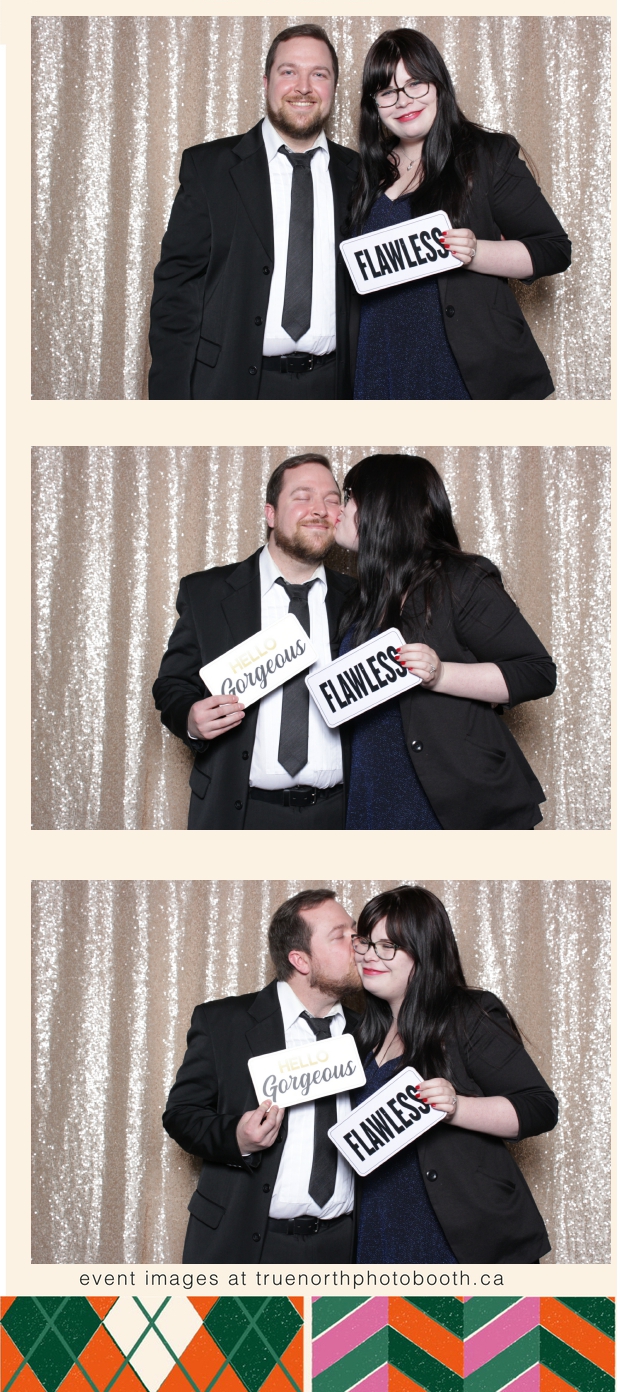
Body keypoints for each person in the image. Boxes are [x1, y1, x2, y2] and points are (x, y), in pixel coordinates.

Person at [334, 454, 556, 830]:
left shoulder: (460, 580)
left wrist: (441, 674)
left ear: (383, 506)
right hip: (374, 794)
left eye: (349, 497)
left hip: (453, 799)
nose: (339, 509)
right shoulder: (362, 597)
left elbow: (536, 672)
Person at [350, 29, 571, 400]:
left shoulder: (487, 156)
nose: (403, 101)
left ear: (438, 85)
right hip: (380, 363)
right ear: (374, 104)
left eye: (415, 84)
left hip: (463, 369)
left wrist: (476, 252)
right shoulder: (363, 171)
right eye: (387, 91)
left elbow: (553, 249)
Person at [148, 25, 358, 400]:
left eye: (319, 74)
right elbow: (176, 294)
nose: (303, 87)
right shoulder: (208, 169)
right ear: (266, 83)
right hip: (231, 386)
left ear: (334, 88)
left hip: (336, 386)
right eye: (289, 71)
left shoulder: (362, 175)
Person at [351, 886, 558, 1264]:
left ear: (424, 952)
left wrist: (456, 1108)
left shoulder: (467, 1015)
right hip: (379, 1232)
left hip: (460, 1239)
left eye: (388, 946)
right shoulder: (360, 1036)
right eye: (364, 942)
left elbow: (539, 1107)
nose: (369, 955)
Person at [153, 454, 355, 829]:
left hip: (341, 814)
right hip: (241, 813)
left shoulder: (364, 599)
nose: (320, 510)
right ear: (270, 513)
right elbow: (171, 685)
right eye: (303, 496)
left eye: (331, 500)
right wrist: (191, 719)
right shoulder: (207, 593)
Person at [163, 890, 362, 1264]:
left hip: (341, 1245)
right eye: (341, 936)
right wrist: (237, 1137)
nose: (359, 944)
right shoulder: (224, 1023)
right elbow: (181, 1115)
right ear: (300, 960)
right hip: (245, 1242)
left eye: (356, 932)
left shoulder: (371, 1032)